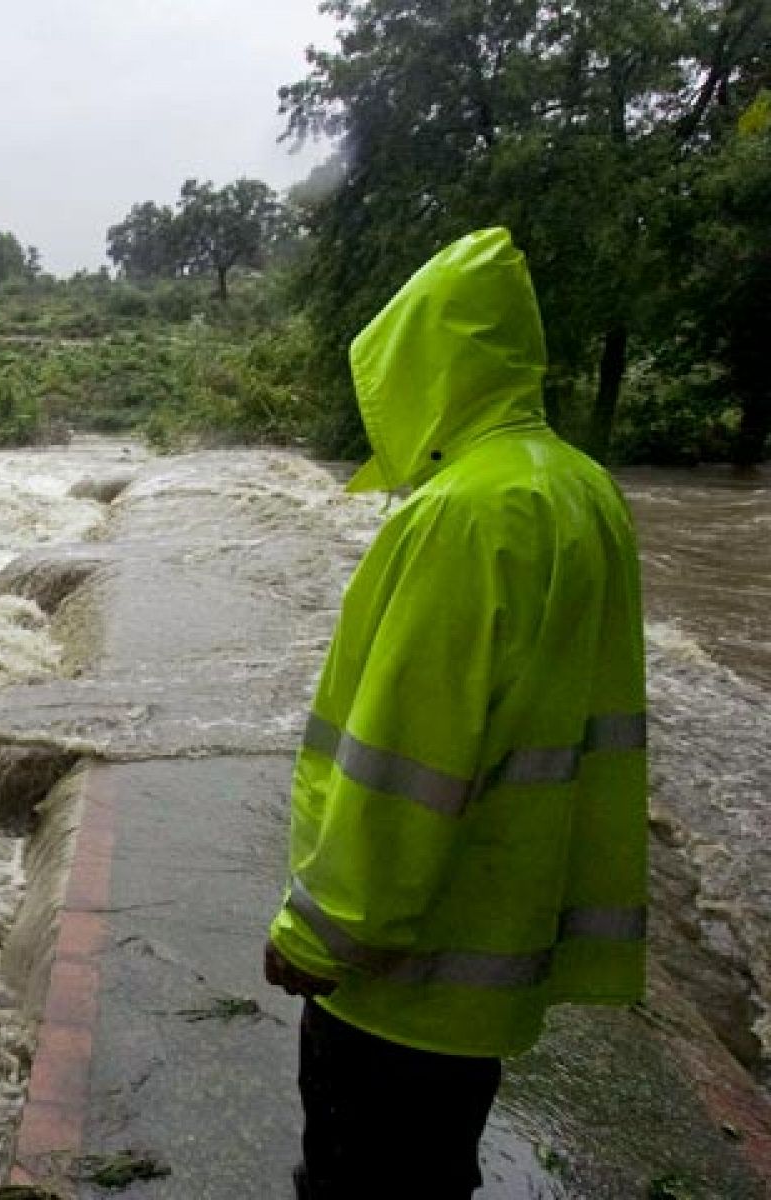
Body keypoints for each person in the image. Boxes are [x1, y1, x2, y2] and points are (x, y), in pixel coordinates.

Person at [263, 227, 648, 1199]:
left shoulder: (459, 514)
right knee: (432, 1171)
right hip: (497, 938)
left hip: (402, 970)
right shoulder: (577, 487)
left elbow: (406, 754)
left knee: (358, 1178)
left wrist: (320, 933)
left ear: (425, 363)